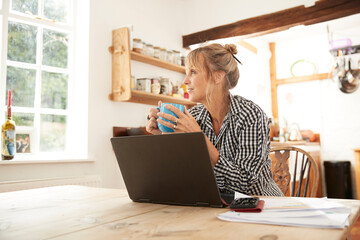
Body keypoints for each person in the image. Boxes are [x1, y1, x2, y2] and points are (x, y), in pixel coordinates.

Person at [146, 43, 283, 196]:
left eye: (193, 72)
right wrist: (165, 136)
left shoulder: (251, 115)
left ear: (218, 76)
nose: (185, 81)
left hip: (260, 205)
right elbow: (183, 173)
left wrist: (199, 138)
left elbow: (245, 184)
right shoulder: (195, 115)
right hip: (217, 204)